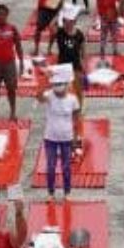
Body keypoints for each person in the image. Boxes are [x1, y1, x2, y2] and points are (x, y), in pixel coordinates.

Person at [40, 65, 85, 200]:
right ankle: (51, 193)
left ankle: (67, 192)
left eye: (60, 84)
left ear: (66, 84)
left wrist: (76, 138)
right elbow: (38, 97)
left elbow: (77, 120)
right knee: (51, 166)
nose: (58, 87)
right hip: (50, 138)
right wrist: (45, 79)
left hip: (67, 138)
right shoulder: (49, 96)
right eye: (56, 84)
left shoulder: (73, 100)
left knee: (66, 167)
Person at [0, 3, 24, 123]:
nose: (1, 16)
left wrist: (21, 62)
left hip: (9, 63)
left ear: (7, 15)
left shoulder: (12, 28)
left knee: (11, 88)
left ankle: (13, 112)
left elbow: (18, 45)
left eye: (3, 14)